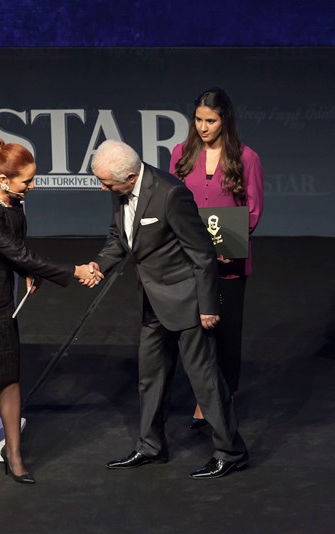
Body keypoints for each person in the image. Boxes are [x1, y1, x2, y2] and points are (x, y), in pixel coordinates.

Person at [0, 139, 100, 491]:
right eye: (26, 180)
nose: (32, 185)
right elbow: (14, 251)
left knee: (9, 377)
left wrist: (26, 271)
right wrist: (73, 270)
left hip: (0, 299)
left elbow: (15, 252)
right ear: (2, 178)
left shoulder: (14, 202)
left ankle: (13, 453)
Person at [91, 139, 248, 479]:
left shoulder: (170, 194)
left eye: (106, 182)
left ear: (130, 177)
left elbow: (202, 251)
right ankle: (151, 446)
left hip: (187, 299)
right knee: (150, 377)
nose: (103, 188)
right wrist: (98, 266)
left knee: (205, 380)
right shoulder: (120, 192)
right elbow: (118, 237)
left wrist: (208, 306)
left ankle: (231, 451)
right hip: (153, 301)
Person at [169, 88, 264, 430]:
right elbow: (172, 203)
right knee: (197, 333)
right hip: (190, 260)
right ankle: (204, 396)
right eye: (198, 120)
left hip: (229, 261)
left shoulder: (246, 158)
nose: (203, 127)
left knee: (226, 332)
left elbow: (252, 210)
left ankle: (225, 395)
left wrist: (228, 245)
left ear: (225, 120)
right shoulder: (181, 154)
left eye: (210, 120)